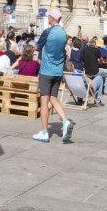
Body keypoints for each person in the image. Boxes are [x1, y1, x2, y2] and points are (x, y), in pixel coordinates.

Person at [32, 7, 74, 143]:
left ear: (51, 18)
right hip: (58, 71)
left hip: (46, 71)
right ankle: (65, 121)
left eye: (48, 17)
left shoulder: (47, 32)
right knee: (53, 98)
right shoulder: (63, 33)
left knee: (44, 100)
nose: (48, 19)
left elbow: (37, 47)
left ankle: (44, 132)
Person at [81, 35, 107, 105]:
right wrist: (99, 62)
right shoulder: (97, 50)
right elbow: (101, 60)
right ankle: (104, 92)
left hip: (86, 73)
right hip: (95, 72)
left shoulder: (84, 50)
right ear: (95, 44)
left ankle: (99, 95)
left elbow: (82, 60)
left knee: (97, 77)